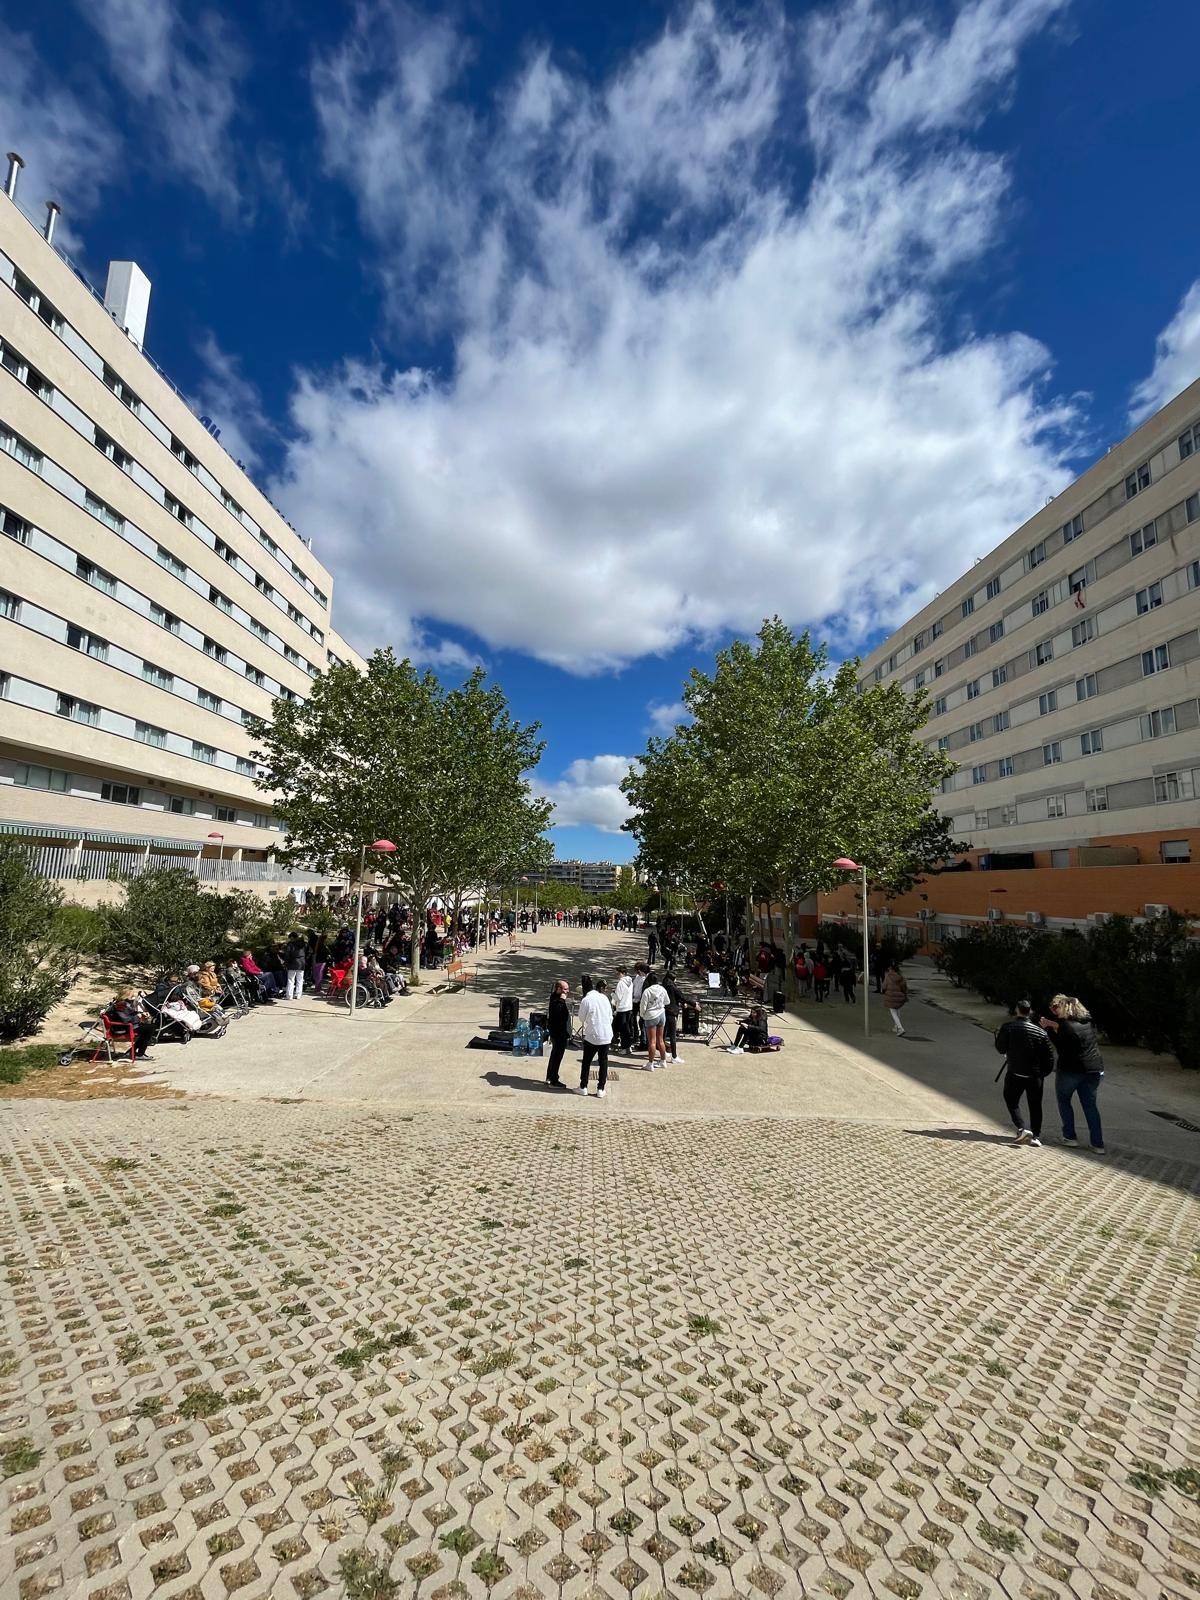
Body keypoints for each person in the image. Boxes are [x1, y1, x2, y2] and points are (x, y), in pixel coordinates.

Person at [1040, 994, 1105, 1151]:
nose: (1056, 1012)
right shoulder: (1087, 1022)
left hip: (1071, 1069)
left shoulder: (1066, 1026)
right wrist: (1053, 1025)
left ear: (1064, 1008)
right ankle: (1097, 1143)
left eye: (1057, 1008)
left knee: (1064, 1100)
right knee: (1090, 1106)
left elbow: (1060, 1045)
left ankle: (1070, 1136)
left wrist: (1048, 1029)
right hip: (1094, 1068)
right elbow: (1065, 1030)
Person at [994, 1000, 1054, 1146]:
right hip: (1035, 1075)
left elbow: (1001, 1048)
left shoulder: (1008, 1027)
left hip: (1015, 1072)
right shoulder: (1040, 1032)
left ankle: (1021, 1127)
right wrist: (1043, 1073)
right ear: (1030, 1011)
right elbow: (1049, 1056)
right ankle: (1036, 1135)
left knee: (1011, 1100)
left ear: (1017, 1010)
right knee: (1035, 1105)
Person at [576, 978, 613, 1097]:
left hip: (592, 1034)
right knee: (603, 1062)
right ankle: (601, 1088)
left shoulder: (586, 1000)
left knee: (586, 1061)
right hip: (606, 1034)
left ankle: (583, 1086)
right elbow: (610, 1016)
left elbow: (581, 1018)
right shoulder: (605, 998)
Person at [105, 991, 155, 1060]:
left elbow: (130, 1013)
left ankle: (133, 1051)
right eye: (131, 995)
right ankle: (139, 1053)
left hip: (127, 1026)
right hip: (124, 1028)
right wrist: (138, 1016)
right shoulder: (121, 1005)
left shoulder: (122, 1003)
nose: (133, 996)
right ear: (126, 995)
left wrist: (139, 1014)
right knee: (149, 1029)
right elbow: (125, 1019)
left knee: (147, 1030)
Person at [640, 970, 670, 1070]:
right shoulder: (662, 989)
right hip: (661, 1014)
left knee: (652, 1041)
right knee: (660, 1040)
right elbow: (667, 1001)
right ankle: (663, 1061)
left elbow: (643, 1006)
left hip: (651, 1015)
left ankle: (650, 1063)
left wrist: (642, 1015)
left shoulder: (647, 991)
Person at [546, 978, 571, 1088]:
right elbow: (558, 1014)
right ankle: (553, 1079)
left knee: (554, 1055)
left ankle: (550, 1076)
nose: (567, 991)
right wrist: (562, 1000)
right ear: (559, 989)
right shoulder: (556, 1000)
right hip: (558, 1032)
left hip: (558, 1031)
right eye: (565, 989)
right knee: (557, 1056)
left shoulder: (556, 997)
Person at [662, 970, 685, 1064]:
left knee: (662, 1034)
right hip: (671, 1011)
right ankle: (674, 1056)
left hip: (664, 1011)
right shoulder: (672, 986)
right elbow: (681, 996)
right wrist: (693, 1004)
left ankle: (663, 1052)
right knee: (672, 1035)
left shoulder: (664, 985)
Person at [881, 963, 908, 1036]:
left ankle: (900, 1028)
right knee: (897, 1010)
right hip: (899, 997)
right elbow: (904, 987)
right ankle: (896, 1027)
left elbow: (884, 986)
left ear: (891, 969)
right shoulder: (901, 977)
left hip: (891, 996)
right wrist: (905, 995)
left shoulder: (888, 976)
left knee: (893, 1013)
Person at [284, 931, 307, 1000]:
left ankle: (289, 995)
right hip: (302, 962)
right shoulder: (303, 944)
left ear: (292, 937)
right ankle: (298, 995)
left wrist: (286, 962)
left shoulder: (290, 944)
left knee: (291, 979)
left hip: (293, 962)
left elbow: (287, 954)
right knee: (300, 979)